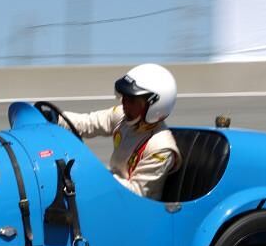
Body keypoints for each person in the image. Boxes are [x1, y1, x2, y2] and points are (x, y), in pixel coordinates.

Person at [58, 63, 181, 199]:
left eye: (132, 100)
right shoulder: (123, 116)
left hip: (137, 211)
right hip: (114, 193)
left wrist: (94, 177)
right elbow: (86, 123)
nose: (124, 104)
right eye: (124, 97)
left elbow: (136, 192)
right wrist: (54, 117)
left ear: (154, 105)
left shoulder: (161, 147)